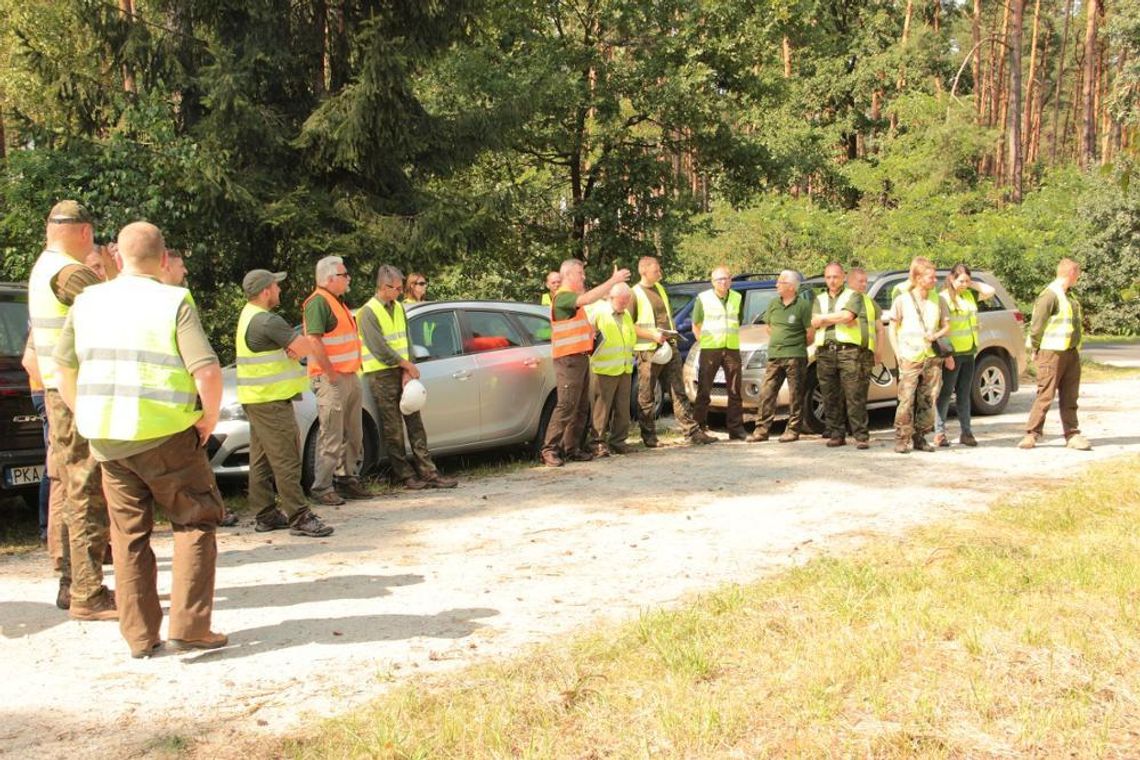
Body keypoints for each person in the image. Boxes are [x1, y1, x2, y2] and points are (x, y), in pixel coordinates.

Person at [55, 221, 227, 658]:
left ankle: (139, 636)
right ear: (164, 259)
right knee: (194, 521)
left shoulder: (88, 300)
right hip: (167, 434)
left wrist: (84, 413)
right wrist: (207, 419)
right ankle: (190, 628)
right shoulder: (174, 300)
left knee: (128, 536)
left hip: (108, 439)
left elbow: (64, 369)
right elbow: (206, 370)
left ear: (116, 257)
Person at [27, 200, 115, 619]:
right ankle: (89, 592)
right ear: (84, 232)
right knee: (84, 488)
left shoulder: (44, 265)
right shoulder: (68, 271)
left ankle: (71, 583)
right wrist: (119, 269)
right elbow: (117, 308)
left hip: (57, 389)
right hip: (72, 393)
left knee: (71, 485)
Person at [236, 269, 334, 537]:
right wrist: (294, 347)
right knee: (287, 458)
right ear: (266, 291)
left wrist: (290, 347)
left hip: (256, 399)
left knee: (262, 458)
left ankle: (265, 513)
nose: (280, 290)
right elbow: (306, 347)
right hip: (271, 401)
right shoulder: (268, 321)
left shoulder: (247, 315)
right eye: (276, 286)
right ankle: (299, 516)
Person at [358, 265, 458, 490]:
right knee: (392, 428)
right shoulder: (368, 312)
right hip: (381, 374)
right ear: (384, 286)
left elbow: (406, 341)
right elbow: (379, 348)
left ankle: (428, 472)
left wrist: (406, 370)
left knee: (415, 423)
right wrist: (406, 365)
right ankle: (404, 475)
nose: (400, 292)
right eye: (396, 288)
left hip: (402, 371)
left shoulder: (399, 308)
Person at [540, 259, 630, 467]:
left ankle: (573, 448)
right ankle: (549, 449)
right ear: (569, 275)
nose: (583, 277)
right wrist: (613, 280)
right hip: (568, 360)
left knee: (581, 407)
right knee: (566, 406)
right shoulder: (562, 298)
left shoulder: (570, 300)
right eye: (580, 273)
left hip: (579, 358)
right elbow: (588, 298)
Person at [303, 255, 370, 505]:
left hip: (349, 375)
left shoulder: (335, 301)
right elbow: (313, 340)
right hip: (332, 379)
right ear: (330, 279)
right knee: (331, 435)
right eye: (344, 275)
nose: (348, 278)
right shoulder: (318, 302)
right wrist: (330, 373)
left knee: (354, 433)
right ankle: (322, 487)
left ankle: (346, 479)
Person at [630, 256, 702, 447]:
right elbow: (628, 326)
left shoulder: (660, 288)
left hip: (669, 346)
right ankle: (649, 437)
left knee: (678, 390)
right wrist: (651, 335)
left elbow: (666, 317)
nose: (659, 271)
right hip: (648, 351)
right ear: (643, 270)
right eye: (655, 269)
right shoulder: (634, 293)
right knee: (647, 394)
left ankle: (692, 432)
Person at [1019, 258, 1091, 451]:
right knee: (1046, 394)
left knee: (1070, 396)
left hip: (1070, 352)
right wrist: (1035, 348)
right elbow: (1037, 325)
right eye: (1078, 274)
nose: (1078, 278)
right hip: (1052, 352)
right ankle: (1031, 434)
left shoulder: (1070, 296)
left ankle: (1072, 434)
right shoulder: (1050, 295)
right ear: (1071, 273)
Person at [889, 257, 950, 454]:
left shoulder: (938, 300)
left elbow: (947, 325)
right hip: (909, 355)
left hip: (931, 357)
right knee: (906, 399)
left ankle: (921, 436)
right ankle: (902, 438)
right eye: (930, 277)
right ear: (917, 277)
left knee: (928, 399)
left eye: (934, 277)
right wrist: (897, 353)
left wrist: (937, 335)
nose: (934, 281)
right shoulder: (902, 299)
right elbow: (892, 327)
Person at [748, 270, 814, 443]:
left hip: (795, 356)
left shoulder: (803, 306)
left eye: (781, 282)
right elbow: (769, 327)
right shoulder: (773, 304)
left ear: (791, 287)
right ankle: (762, 430)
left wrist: (794, 344)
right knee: (767, 392)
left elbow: (810, 334)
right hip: (775, 355)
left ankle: (793, 430)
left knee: (795, 394)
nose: (776, 285)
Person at [810, 262, 872, 448]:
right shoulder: (819, 298)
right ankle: (836, 433)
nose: (832, 281)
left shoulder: (853, 295)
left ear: (843, 277)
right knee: (830, 395)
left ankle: (861, 435)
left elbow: (848, 316)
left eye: (835, 277)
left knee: (854, 394)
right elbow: (814, 322)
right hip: (825, 351)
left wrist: (825, 318)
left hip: (848, 352)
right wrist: (835, 317)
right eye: (828, 277)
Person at [934, 264, 995, 447]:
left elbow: (990, 290)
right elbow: (941, 328)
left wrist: (971, 284)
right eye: (961, 281)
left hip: (969, 351)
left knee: (964, 394)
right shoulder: (943, 298)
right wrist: (947, 354)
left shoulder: (969, 294)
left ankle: (966, 432)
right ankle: (939, 433)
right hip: (953, 353)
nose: (964, 284)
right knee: (945, 394)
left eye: (967, 281)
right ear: (951, 279)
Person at [691, 266, 745, 441]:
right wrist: (702, 343)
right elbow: (696, 325)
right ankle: (699, 427)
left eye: (726, 278)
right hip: (710, 348)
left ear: (731, 280)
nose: (723, 282)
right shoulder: (703, 298)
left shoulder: (737, 297)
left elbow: (739, 320)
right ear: (713, 282)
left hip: (731, 348)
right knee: (704, 389)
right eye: (719, 279)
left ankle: (736, 429)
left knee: (735, 390)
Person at [587, 283, 638, 457]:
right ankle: (597, 443)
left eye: (627, 300)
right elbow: (588, 333)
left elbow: (630, 335)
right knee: (601, 409)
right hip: (604, 368)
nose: (624, 304)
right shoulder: (599, 311)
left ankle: (619, 441)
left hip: (624, 367)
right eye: (621, 300)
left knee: (622, 408)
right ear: (611, 297)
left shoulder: (626, 314)